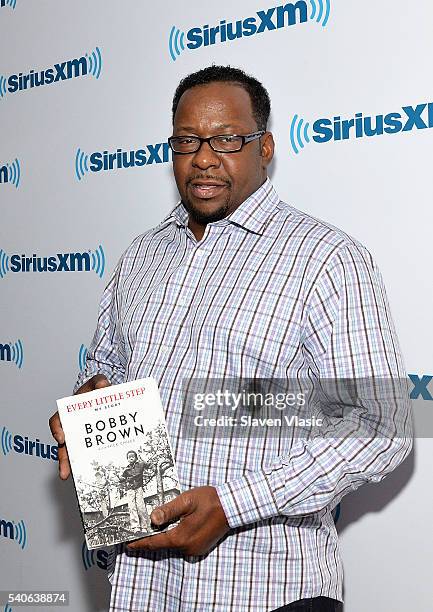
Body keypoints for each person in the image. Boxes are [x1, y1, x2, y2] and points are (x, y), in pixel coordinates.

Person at [49, 65, 412, 612]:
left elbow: (382, 428)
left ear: (264, 147)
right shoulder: (140, 258)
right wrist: (88, 407)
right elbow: (106, 368)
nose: (203, 157)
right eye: (187, 140)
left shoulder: (326, 259)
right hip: (142, 584)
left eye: (226, 139)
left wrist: (235, 504)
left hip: (265, 587)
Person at [118, 450, 152, 533]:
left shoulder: (140, 464)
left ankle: (144, 527)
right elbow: (121, 479)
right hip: (130, 489)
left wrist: (151, 465)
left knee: (141, 507)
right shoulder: (126, 470)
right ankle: (136, 527)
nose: (131, 458)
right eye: (129, 457)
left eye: (132, 456)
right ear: (127, 459)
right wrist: (119, 477)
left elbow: (149, 465)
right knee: (132, 507)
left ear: (136, 457)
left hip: (138, 488)